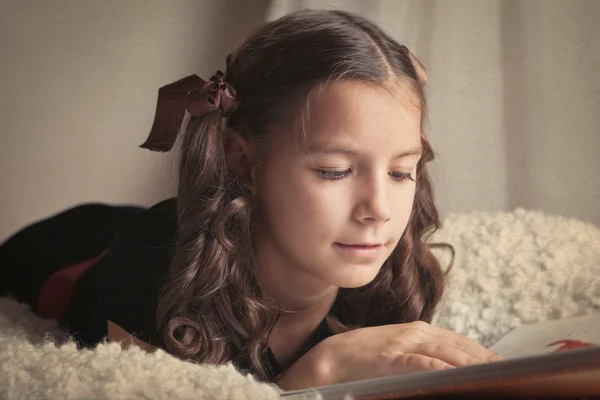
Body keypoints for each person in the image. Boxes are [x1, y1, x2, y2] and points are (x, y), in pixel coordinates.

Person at [0, 9, 502, 390]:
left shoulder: (392, 282)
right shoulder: (157, 270)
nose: (378, 208)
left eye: (400, 171)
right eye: (335, 171)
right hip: (78, 246)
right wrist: (320, 369)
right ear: (244, 162)